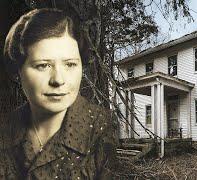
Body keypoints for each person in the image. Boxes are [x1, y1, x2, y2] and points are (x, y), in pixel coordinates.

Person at [1, 8, 117, 179]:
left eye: (70, 64)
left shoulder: (102, 129)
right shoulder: (5, 131)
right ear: (18, 72)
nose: (58, 80)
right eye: (43, 65)